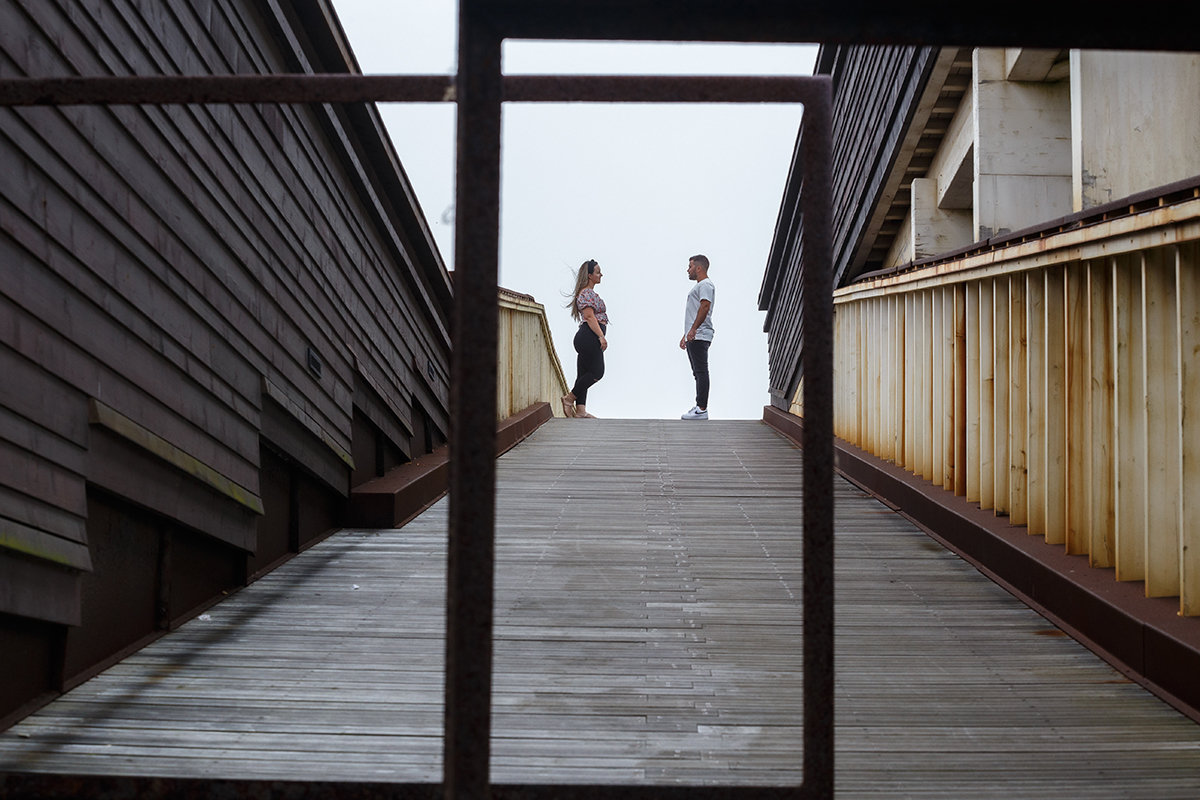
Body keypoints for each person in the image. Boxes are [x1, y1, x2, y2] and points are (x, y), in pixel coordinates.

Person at [562, 259, 608, 419]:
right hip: (589, 337)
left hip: (586, 337)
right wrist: (601, 336)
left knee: (583, 374)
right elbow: (589, 316)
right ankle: (569, 399)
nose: (601, 274)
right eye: (597, 272)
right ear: (589, 275)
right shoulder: (586, 293)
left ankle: (580, 410)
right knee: (597, 372)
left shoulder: (589, 293)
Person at [679, 254, 714, 420]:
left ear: (698, 268)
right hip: (694, 335)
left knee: (701, 371)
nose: (688, 270)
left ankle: (701, 409)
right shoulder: (700, 286)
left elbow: (705, 306)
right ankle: (700, 407)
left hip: (699, 334)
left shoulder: (706, 285)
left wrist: (693, 330)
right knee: (697, 372)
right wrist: (685, 334)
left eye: (690, 266)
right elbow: (695, 311)